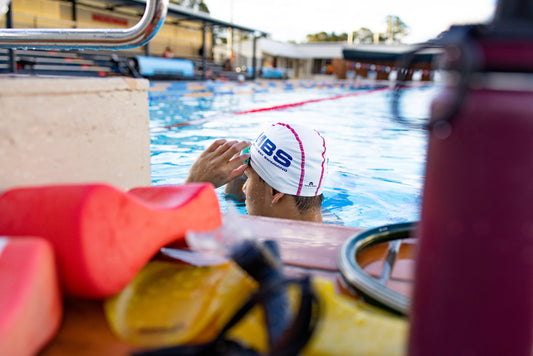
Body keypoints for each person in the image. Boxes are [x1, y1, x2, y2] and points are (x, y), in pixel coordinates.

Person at [185, 122, 328, 223]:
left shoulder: (251, 248)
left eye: (248, 178)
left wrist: (192, 186)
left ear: (275, 192)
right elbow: (241, 201)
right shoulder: (331, 225)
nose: (244, 188)